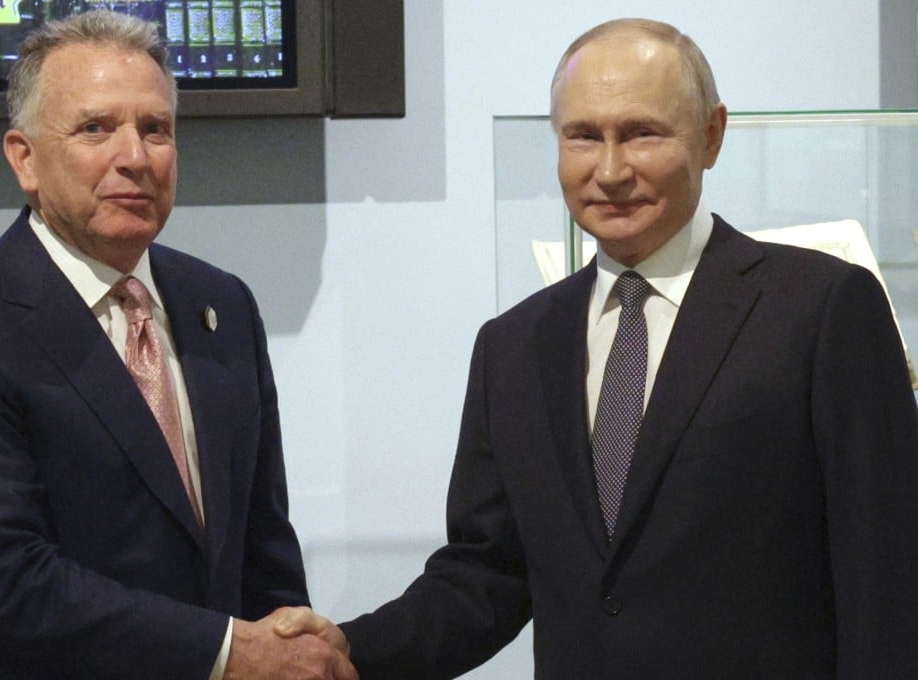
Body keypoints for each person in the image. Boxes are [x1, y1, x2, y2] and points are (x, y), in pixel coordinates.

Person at [281, 17, 918, 679]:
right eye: (583, 136)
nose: (610, 170)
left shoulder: (821, 309)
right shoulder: (513, 347)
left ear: (711, 135)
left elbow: (887, 574)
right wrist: (347, 652)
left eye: (642, 133)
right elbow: (489, 575)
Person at [0, 10, 354, 680]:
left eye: (155, 129)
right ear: (24, 159)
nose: (134, 158)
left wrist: (288, 647)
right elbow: (7, 582)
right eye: (95, 128)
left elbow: (262, 544)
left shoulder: (222, 304)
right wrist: (230, 654)